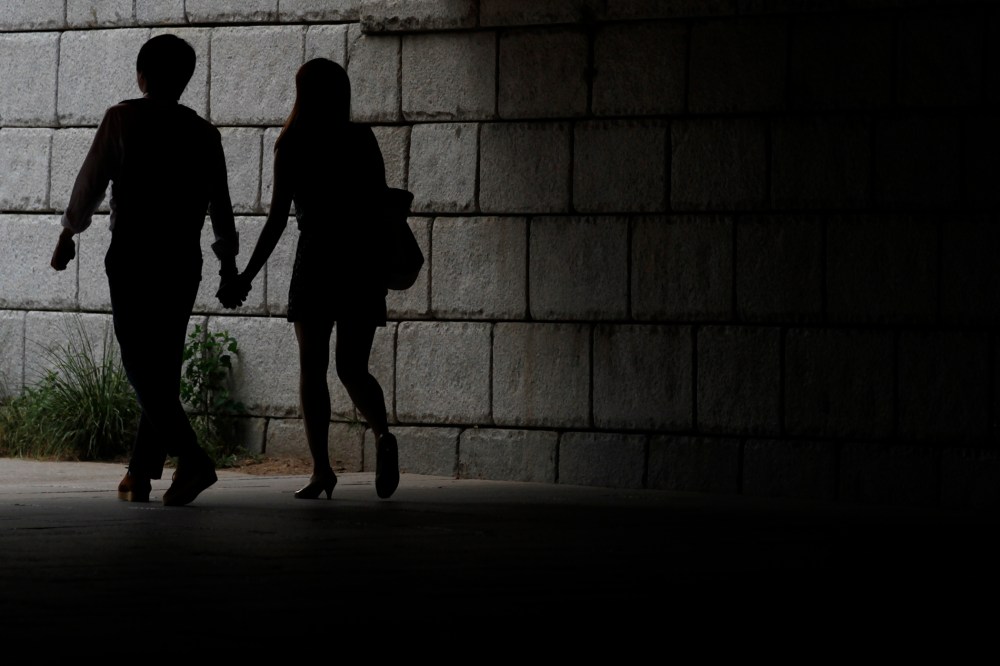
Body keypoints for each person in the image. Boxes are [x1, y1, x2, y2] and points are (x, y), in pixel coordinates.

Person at [51, 34, 242, 506]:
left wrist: (67, 234)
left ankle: (192, 459)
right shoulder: (204, 134)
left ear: (141, 75)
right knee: (161, 366)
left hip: (134, 256)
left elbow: (90, 182)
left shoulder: (123, 119)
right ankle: (141, 472)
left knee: (140, 364)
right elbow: (221, 207)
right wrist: (228, 266)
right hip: (182, 261)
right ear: (186, 79)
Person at [219, 58, 399, 500]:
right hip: (360, 261)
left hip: (317, 261)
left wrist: (245, 276)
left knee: (312, 369)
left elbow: (277, 220)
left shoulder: (293, 142)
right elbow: (379, 203)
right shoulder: (361, 138)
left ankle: (322, 470)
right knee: (353, 367)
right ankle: (382, 435)